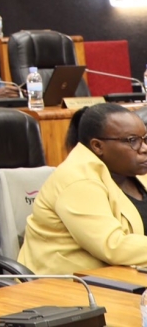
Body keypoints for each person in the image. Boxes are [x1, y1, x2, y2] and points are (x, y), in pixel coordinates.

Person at [19, 103, 147, 274]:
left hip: (123, 276)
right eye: (133, 141)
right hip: (68, 286)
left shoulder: (135, 170)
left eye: (145, 139)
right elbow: (112, 246)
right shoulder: (77, 179)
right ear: (97, 146)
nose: (144, 148)